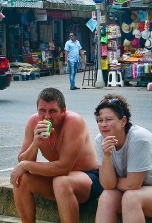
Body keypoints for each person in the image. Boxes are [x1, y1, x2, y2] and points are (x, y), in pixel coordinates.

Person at [11, 87, 102, 223]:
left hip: (89, 178)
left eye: (52, 111)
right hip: (59, 180)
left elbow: (63, 168)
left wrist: (25, 164)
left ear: (63, 111)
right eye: (42, 110)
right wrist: (35, 143)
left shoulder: (73, 122)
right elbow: (23, 161)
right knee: (21, 179)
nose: (47, 116)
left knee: (61, 182)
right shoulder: (33, 123)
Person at [93, 94, 152, 223]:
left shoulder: (138, 139)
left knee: (131, 197)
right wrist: (107, 156)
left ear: (123, 121)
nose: (103, 124)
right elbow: (107, 185)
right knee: (106, 196)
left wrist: (114, 182)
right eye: (99, 120)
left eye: (109, 119)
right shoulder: (100, 141)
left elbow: (132, 184)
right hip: (139, 190)